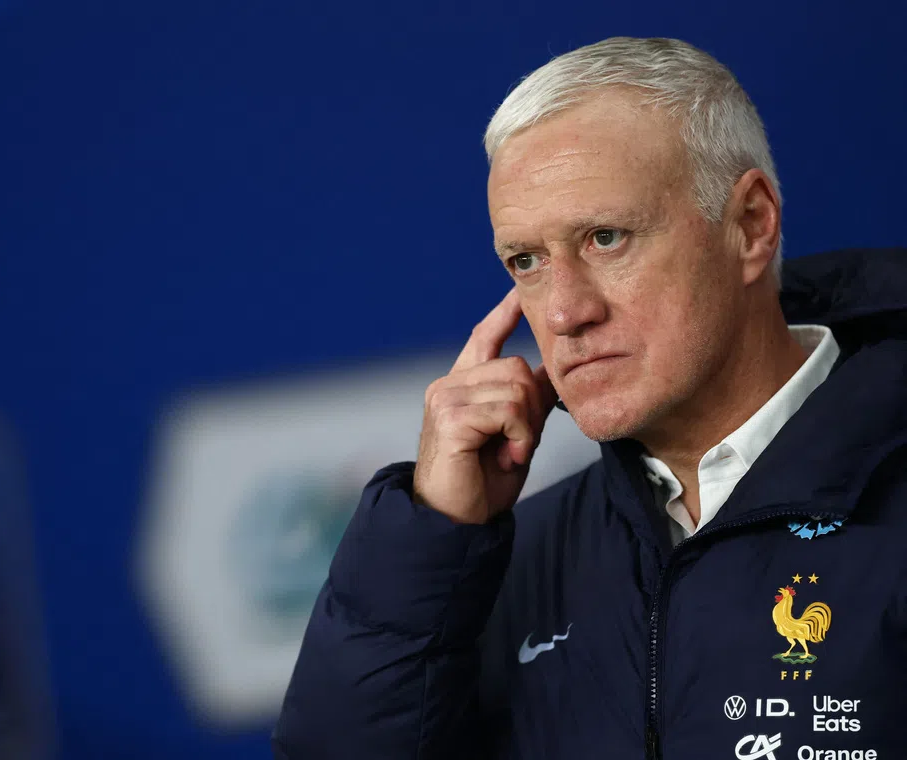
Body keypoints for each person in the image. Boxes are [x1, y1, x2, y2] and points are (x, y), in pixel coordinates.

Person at [271, 36, 907, 759]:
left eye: (606, 238)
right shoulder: (489, 565)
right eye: (527, 262)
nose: (566, 312)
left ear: (751, 225)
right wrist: (429, 541)